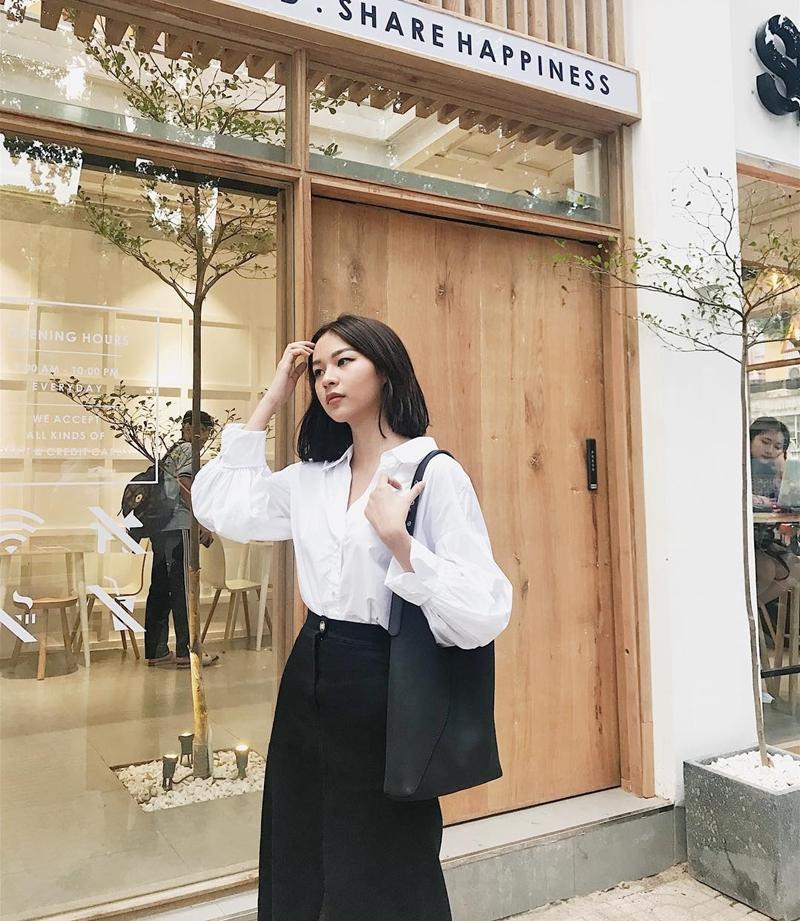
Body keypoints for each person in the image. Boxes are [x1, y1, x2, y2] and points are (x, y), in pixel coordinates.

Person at [192, 314, 512, 921]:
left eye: (344, 362)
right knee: (298, 838)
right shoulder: (314, 479)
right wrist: (273, 396)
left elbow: (484, 608)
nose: (327, 379)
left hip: (385, 676)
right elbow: (222, 507)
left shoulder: (431, 473)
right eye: (318, 370)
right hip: (309, 668)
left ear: (385, 369)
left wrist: (402, 544)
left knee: (384, 853)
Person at [145, 410, 220, 669]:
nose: (206, 436)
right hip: (178, 527)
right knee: (184, 589)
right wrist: (201, 521)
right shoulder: (188, 450)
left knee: (161, 588)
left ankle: (156, 649)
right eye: (205, 430)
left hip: (161, 529)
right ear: (191, 428)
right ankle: (187, 650)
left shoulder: (171, 452)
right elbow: (185, 484)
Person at [750, 416, 800, 605]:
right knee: (766, 570)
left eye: (778, 447)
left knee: (796, 567)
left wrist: (781, 470)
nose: (770, 450)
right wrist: (768, 502)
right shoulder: (740, 468)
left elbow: (784, 499)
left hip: (763, 539)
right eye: (765, 442)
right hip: (743, 540)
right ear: (750, 439)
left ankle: (758, 611)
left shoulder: (772, 472)